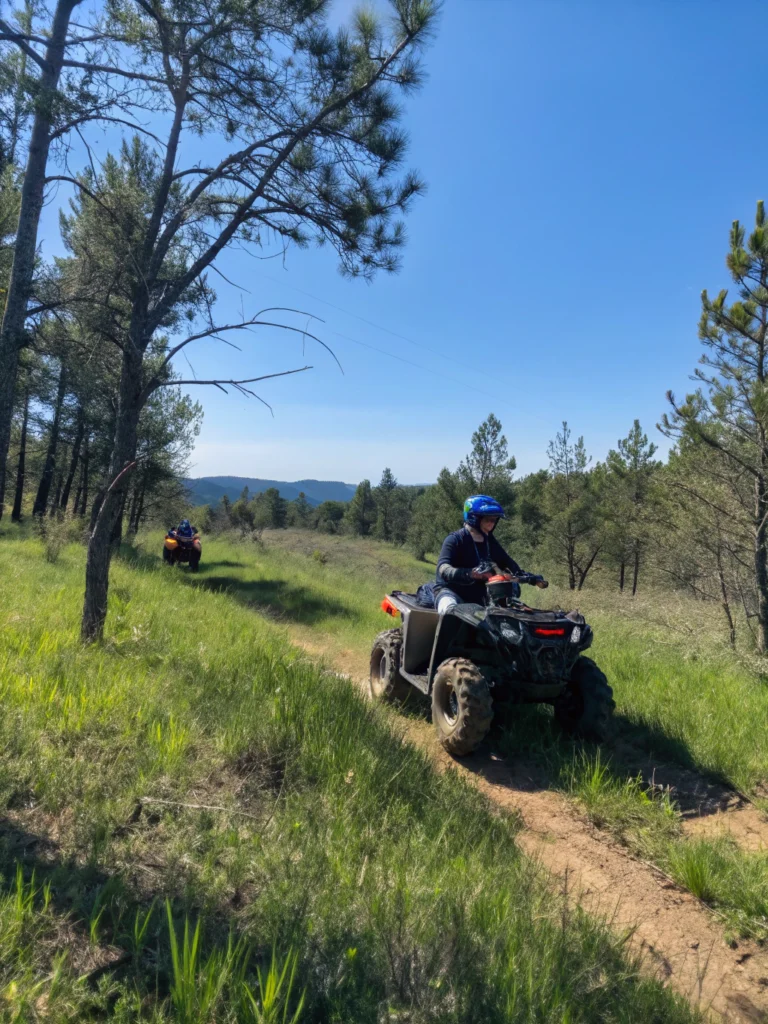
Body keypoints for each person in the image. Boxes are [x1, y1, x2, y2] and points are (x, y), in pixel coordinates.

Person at [433, 495, 537, 614]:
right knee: (449, 608)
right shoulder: (455, 539)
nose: (491, 524)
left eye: (494, 520)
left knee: (510, 605)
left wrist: (528, 577)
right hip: (452, 592)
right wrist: (470, 573)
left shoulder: (490, 541)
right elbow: (443, 568)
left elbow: (508, 562)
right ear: (474, 518)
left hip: (480, 597)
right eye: (488, 519)